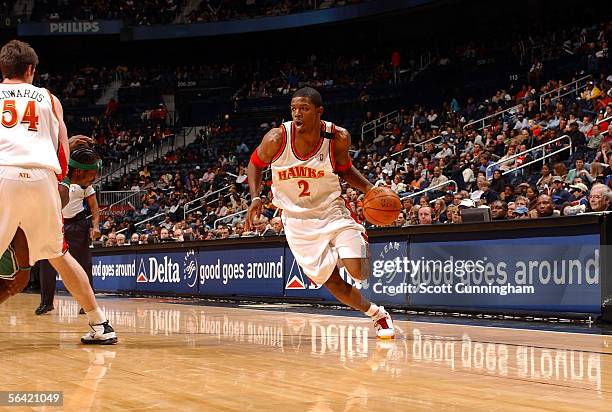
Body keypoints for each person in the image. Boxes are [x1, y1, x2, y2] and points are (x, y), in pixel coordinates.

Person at [245, 87, 394, 339]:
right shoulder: (276, 138)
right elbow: (255, 164)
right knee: (333, 283)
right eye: (293, 109)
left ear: (318, 111)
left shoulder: (337, 137)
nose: (297, 114)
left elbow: (345, 169)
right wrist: (255, 196)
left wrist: (370, 188)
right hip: (297, 221)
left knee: (358, 272)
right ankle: (378, 315)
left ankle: (356, 244)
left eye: (303, 109)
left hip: (331, 211)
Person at [0, 40, 116, 344]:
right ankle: (100, 325)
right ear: (30, 69)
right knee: (59, 255)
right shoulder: (49, 100)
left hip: (2, 173)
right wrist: (58, 182)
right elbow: (63, 152)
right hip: (41, 178)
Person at [36, 146, 101, 316]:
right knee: (47, 263)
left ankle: (87, 303)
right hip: (57, 222)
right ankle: (46, 302)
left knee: (84, 264)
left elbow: (94, 207)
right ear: (78, 170)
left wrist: (96, 226)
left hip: (78, 224)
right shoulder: (59, 177)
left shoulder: (86, 184)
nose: (93, 179)